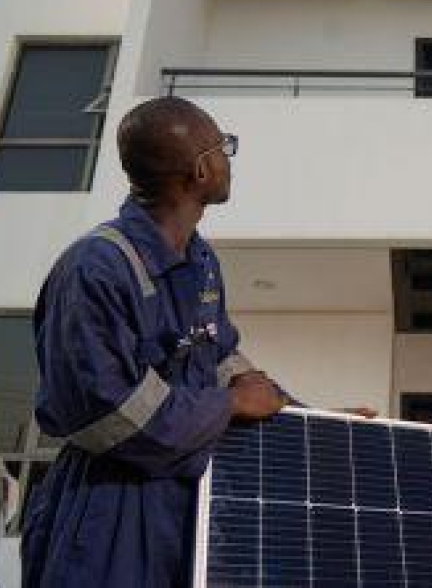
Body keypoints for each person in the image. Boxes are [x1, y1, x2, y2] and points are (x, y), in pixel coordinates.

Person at [22, 97, 288, 587]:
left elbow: (218, 352)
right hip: (109, 511)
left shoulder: (200, 260)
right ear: (200, 171)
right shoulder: (94, 269)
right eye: (223, 147)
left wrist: (309, 418)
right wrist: (229, 404)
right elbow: (112, 418)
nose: (229, 157)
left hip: (184, 504)